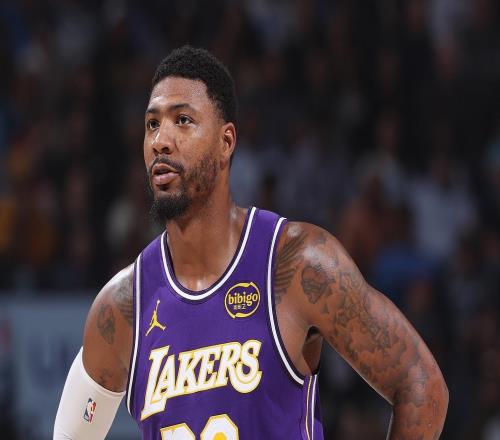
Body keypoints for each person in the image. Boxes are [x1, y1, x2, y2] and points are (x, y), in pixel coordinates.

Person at [53, 45, 448, 440]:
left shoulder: (297, 263)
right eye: (152, 124)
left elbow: (420, 385)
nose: (160, 140)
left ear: (226, 142)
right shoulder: (122, 306)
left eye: (183, 120)